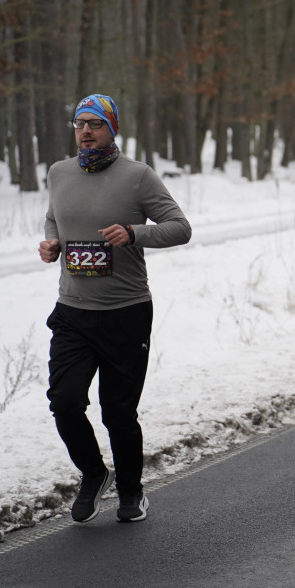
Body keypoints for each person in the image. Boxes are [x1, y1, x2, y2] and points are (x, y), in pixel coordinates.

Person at [39, 94, 192, 524]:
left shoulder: (138, 177)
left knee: (117, 411)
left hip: (125, 311)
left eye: (95, 123)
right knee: (65, 402)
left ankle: (131, 491)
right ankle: (93, 473)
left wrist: (133, 233)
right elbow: (55, 219)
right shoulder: (59, 173)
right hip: (72, 310)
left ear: (113, 129)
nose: (85, 131)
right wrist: (52, 243)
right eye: (79, 123)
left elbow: (180, 228)